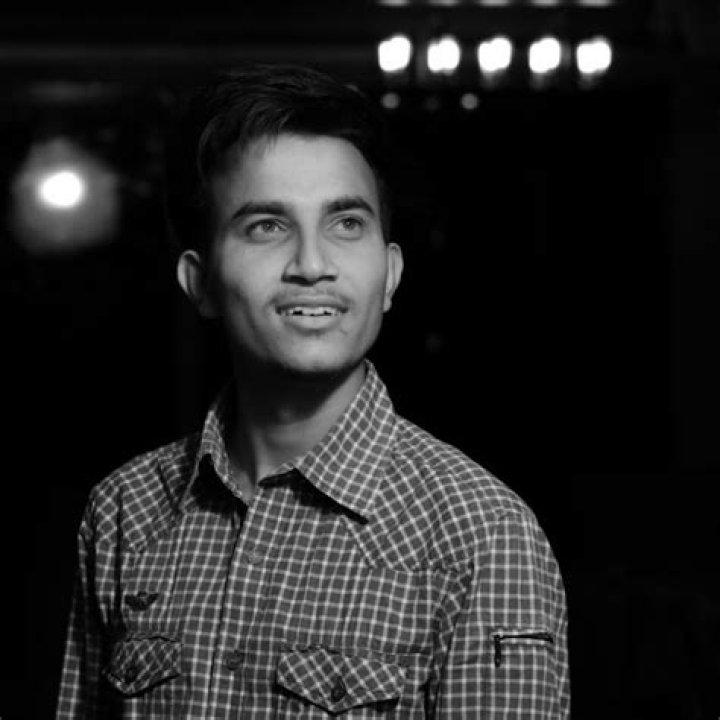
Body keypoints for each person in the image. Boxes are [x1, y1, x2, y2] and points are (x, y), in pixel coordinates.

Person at [56, 63, 570, 719]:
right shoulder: (124, 511)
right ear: (201, 282)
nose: (312, 264)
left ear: (390, 273)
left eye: (346, 223)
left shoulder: (482, 534)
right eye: (266, 226)